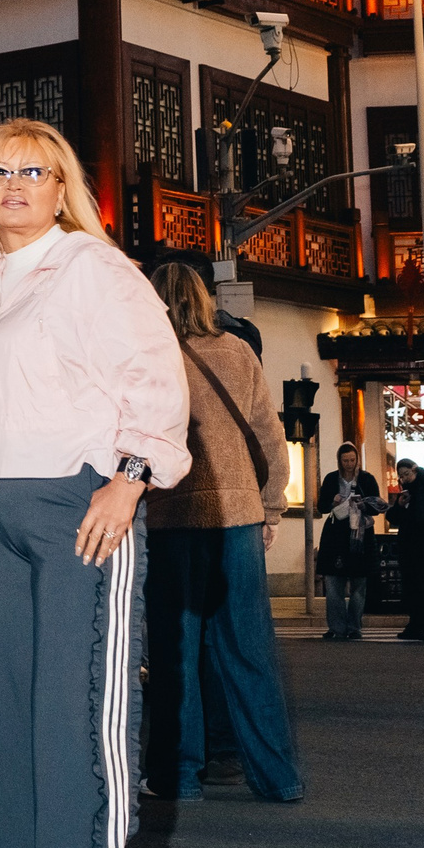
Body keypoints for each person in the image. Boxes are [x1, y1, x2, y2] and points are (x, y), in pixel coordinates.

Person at [0, 118, 188, 848]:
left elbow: (156, 379)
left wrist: (129, 477)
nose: (14, 184)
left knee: (77, 719)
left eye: (35, 171)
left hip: (75, 506)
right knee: (0, 722)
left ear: (62, 188)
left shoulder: (91, 266)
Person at [142, 263, 302, 804]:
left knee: (175, 652)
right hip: (238, 519)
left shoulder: (147, 357)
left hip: (170, 519)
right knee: (250, 650)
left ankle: (179, 776)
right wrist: (272, 510)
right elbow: (271, 440)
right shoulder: (239, 353)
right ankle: (278, 777)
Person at [315, 444, 383, 640]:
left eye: (352, 460)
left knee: (359, 584)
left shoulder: (367, 479)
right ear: (339, 460)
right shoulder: (331, 478)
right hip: (336, 535)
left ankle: (354, 627)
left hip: (359, 534)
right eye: (345, 461)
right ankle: (336, 627)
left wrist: (365, 504)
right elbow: (321, 506)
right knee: (334, 583)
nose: (349, 465)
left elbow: (376, 506)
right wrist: (333, 502)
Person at [387, 457, 424, 643]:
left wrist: (419, 473)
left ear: (414, 471)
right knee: (411, 587)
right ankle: (415, 625)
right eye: (401, 476)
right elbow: (393, 517)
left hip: (423, 542)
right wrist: (400, 504)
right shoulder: (405, 493)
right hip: (407, 543)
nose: (405, 478)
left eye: (407, 474)